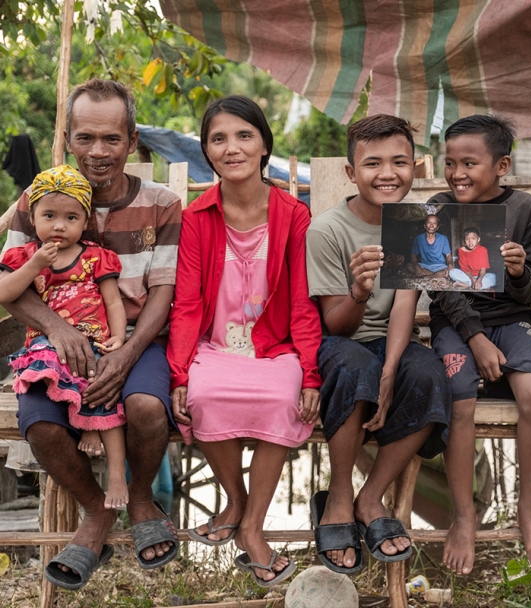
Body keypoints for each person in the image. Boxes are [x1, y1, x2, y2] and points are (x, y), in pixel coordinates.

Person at [3, 79, 182, 589]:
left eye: (111, 139)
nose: (98, 152)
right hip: (53, 343)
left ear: (132, 138)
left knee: (147, 407)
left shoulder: (162, 205)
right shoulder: (37, 199)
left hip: (140, 339)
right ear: (66, 137)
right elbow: (11, 284)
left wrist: (124, 355)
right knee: (41, 426)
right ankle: (96, 512)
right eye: (84, 138)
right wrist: (58, 329)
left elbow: (165, 292)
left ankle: (141, 497)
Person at [167, 96, 321, 586]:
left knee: (283, 399)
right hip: (216, 348)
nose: (231, 147)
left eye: (243, 136)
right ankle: (235, 501)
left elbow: (302, 303)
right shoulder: (197, 218)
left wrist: (311, 371)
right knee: (204, 396)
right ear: (208, 153)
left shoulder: (294, 216)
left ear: (263, 147)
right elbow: (188, 304)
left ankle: (251, 528)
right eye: (218, 139)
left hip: (276, 347)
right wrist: (180, 372)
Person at [306, 115, 450, 575]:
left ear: (415, 167)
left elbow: (405, 304)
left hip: (391, 340)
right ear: (351, 173)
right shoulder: (326, 230)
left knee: (428, 373)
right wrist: (360, 292)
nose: (388, 173)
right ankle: (340, 497)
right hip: (338, 342)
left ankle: (372, 496)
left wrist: (391, 371)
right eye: (373, 163)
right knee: (354, 368)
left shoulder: (417, 222)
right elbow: (336, 324)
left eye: (399, 162)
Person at [428, 114, 531, 572]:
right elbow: (439, 285)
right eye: (450, 163)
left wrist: (520, 272)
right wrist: (475, 337)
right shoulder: (439, 207)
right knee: (460, 400)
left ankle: (529, 508)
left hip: (513, 321)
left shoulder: (526, 211)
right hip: (455, 324)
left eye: (470, 163)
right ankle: (463, 517)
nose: (457, 173)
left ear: (501, 165)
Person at [1, 166, 128, 510]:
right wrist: (35, 263)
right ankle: (83, 426)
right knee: (51, 374)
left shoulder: (95, 257)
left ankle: (117, 472)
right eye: (49, 216)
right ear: (34, 218)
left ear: (85, 221)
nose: (59, 225)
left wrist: (118, 339)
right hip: (48, 343)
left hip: (94, 341)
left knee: (104, 389)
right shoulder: (26, 256)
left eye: (71, 217)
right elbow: (5, 292)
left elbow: (114, 301)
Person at [449, 226, 497, 290]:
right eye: (467, 239)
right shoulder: (461, 250)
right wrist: (473, 280)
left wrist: (479, 280)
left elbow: (483, 269)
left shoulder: (483, 250)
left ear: (478, 239)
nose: (470, 242)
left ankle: (467, 285)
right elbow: (465, 269)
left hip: (481, 276)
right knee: (452, 272)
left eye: (473, 238)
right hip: (468, 276)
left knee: (495, 277)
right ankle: (476, 285)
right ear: (464, 241)